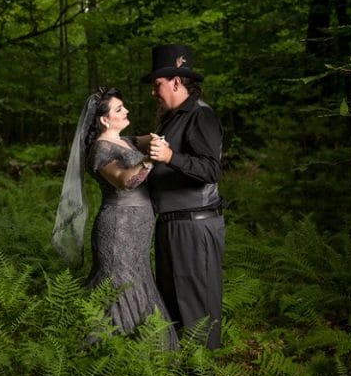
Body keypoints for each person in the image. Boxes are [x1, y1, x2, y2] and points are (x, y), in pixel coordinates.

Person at [52, 87, 178, 348]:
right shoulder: (99, 150)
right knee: (118, 283)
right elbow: (125, 181)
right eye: (119, 109)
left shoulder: (128, 141)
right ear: (104, 120)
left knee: (139, 277)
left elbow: (163, 134)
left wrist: (171, 113)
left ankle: (143, 348)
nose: (127, 110)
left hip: (139, 227)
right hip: (118, 229)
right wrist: (150, 160)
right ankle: (108, 351)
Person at [139, 43, 225, 350]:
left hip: (194, 225)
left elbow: (211, 170)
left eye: (157, 84)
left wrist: (170, 156)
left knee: (197, 307)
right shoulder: (171, 117)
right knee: (173, 305)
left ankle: (204, 374)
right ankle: (180, 372)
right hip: (171, 224)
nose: (153, 91)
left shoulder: (200, 116)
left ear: (176, 81)